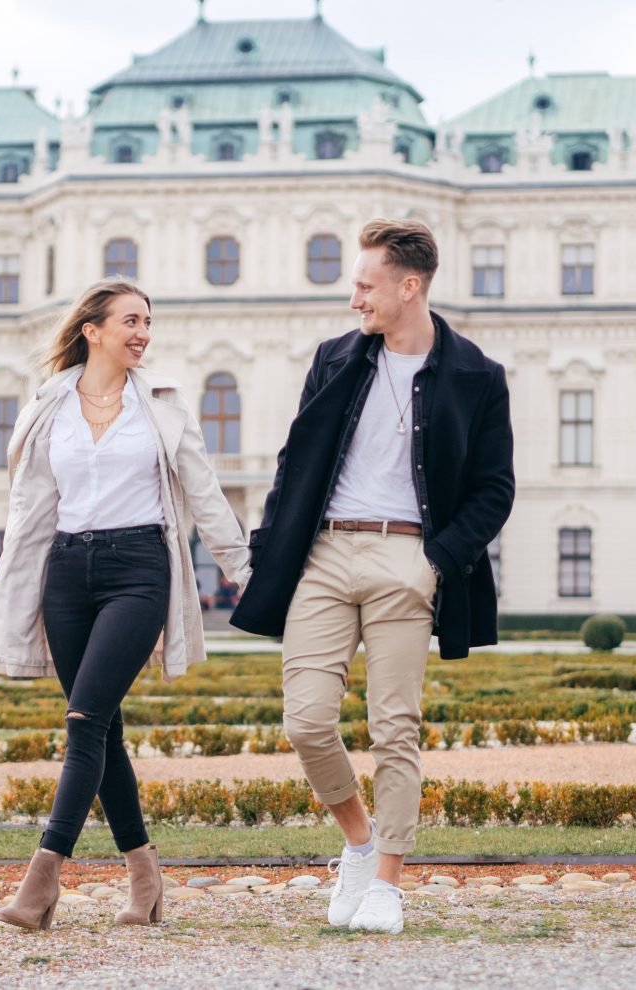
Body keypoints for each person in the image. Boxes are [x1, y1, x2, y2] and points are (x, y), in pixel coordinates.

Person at [231, 219, 514, 934]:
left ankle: (387, 882)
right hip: (324, 555)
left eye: (366, 285)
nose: (355, 298)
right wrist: (270, 549)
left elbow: (495, 489)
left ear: (408, 285)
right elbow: (296, 461)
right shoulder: (335, 359)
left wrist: (437, 560)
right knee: (306, 721)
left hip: (408, 559)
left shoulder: (478, 376)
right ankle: (359, 840)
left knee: (396, 728)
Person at [0, 278, 250, 930]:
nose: (143, 332)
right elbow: (30, 510)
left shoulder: (160, 404)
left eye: (147, 322)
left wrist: (245, 571)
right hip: (67, 573)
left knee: (82, 722)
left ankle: (41, 880)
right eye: (130, 320)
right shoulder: (50, 405)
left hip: (138, 570)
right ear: (93, 329)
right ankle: (145, 876)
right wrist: (13, 590)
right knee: (103, 728)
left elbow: (205, 492)